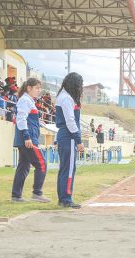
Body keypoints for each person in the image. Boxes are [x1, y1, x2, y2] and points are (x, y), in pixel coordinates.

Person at [11, 78, 50, 203]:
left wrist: (39, 122)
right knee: (42, 164)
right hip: (28, 139)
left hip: (26, 138)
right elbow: (21, 119)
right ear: (29, 88)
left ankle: (16, 196)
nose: (39, 91)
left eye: (40, 88)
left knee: (23, 167)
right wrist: (27, 137)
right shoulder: (25, 100)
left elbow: (28, 118)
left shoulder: (29, 101)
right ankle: (37, 193)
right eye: (37, 88)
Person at [55, 72, 84, 209]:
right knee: (69, 169)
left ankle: (63, 198)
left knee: (65, 169)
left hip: (65, 136)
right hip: (69, 136)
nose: (80, 88)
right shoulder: (66, 98)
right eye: (80, 85)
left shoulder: (64, 96)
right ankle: (66, 198)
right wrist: (78, 140)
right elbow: (70, 122)